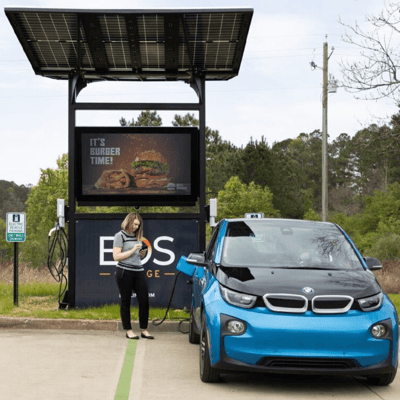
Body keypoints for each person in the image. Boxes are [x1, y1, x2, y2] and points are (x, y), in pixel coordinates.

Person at [113, 212, 154, 340]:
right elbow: (116, 257)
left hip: (138, 270)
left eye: (138, 225)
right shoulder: (119, 236)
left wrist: (141, 253)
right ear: (128, 222)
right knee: (126, 301)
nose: (136, 227)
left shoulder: (138, 236)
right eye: (135, 224)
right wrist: (132, 250)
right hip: (124, 271)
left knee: (144, 300)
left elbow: (137, 256)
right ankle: (128, 330)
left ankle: (144, 329)